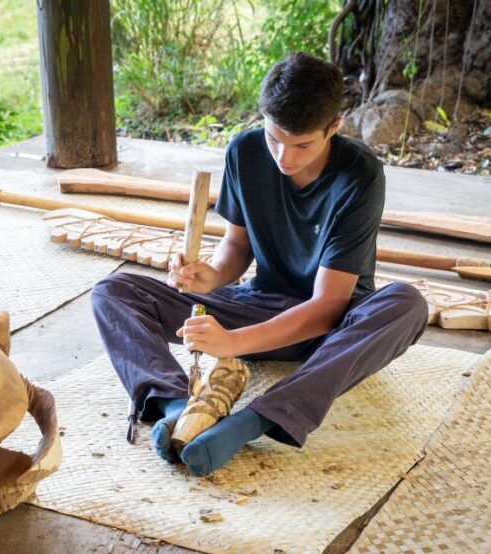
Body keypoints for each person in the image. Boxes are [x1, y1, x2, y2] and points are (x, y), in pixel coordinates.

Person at [91, 52, 429, 476]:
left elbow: (327, 307)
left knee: (407, 304)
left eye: (302, 144)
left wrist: (233, 343)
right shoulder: (246, 152)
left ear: (334, 127)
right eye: (274, 138)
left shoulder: (359, 174)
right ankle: (178, 407)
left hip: (334, 330)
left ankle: (255, 419)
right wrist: (211, 275)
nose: (284, 157)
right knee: (113, 291)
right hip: (259, 305)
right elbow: (237, 245)